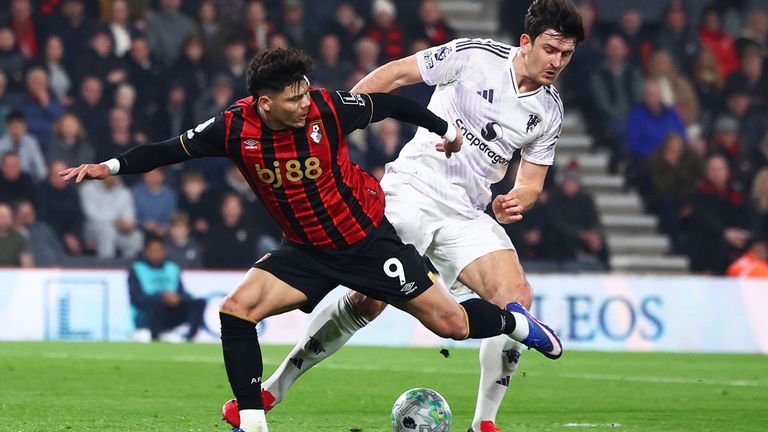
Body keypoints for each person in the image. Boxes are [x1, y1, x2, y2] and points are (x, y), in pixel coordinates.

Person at [60, 47, 563, 432]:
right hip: (305, 251)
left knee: (452, 324)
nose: (306, 102)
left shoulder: (326, 107)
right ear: (265, 103)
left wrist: (443, 130)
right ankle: (254, 418)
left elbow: (387, 102)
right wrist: (109, 166)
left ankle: (513, 324)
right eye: (294, 97)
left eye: (306, 91)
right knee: (236, 310)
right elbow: (170, 150)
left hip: (367, 242)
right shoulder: (233, 128)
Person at [241, 2, 583, 432]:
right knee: (370, 298)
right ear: (527, 41)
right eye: (551, 49)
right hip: (413, 190)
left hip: (466, 212)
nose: (557, 62)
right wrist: (340, 119)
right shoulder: (475, 56)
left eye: (566, 55)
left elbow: (532, 180)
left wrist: (520, 198)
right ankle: (278, 382)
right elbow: (399, 73)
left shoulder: (549, 110)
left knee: (517, 299)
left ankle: (484, 423)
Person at [128, 235, 206, 342]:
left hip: (170, 311)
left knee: (199, 303)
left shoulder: (172, 268)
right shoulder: (137, 269)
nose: (157, 254)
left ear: (164, 252)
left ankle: (191, 336)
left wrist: (177, 298)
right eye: (153, 250)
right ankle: (155, 336)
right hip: (148, 314)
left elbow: (181, 292)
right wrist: (161, 296)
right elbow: (136, 299)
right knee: (158, 303)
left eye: (159, 250)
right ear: (146, 252)